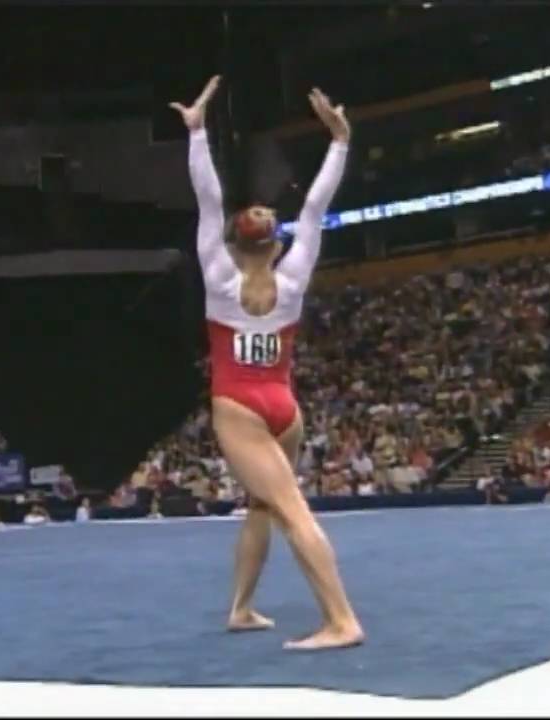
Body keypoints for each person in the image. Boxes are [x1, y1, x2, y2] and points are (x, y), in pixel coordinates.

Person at [171, 76, 363, 650]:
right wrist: (340, 141)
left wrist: (198, 132)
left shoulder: (220, 276)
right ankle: (242, 608)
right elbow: (316, 206)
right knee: (261, 504)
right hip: (284, 407)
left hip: (240, 411)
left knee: (290, 511)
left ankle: (341, 620)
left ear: (231, 244)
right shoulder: (296, 272)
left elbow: (208, 199)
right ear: (274, 245)